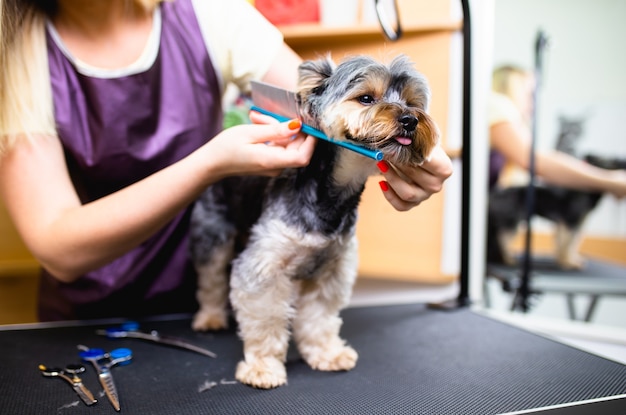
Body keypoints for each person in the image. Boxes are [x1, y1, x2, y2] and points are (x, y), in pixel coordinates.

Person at [0, 0, 453, 321]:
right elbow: (58, 247)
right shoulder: (15, 50)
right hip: (84, 313)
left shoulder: (209, 13)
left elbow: (325, 108)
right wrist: (209, 163)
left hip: (207, 295)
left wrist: (416, 146)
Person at [488, 65, 626, 195]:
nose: (533, 103)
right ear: (513, 88)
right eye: (530, 94)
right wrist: (609, 181)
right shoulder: (498, 104)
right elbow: (532, 160)